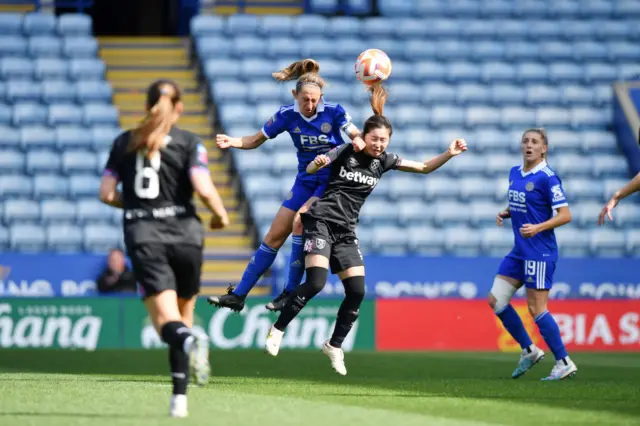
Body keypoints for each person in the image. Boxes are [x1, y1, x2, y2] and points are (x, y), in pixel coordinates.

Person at [263, 83, 467, 375]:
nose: (379, 144)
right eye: (375, 138)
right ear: (365, 136)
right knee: (317, 282)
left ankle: (334, 345)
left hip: (346, 231)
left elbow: (423, 167)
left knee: (357, 291)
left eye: (384, 140)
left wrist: (448, 153)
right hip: (320, 222)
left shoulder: (385, 161)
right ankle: (278, 329)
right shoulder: (346, 150)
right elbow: (311, 170)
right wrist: (318, 163)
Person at [99, 79, 229, 417]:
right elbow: (202, 185)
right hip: (187, 235)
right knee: (184, 317)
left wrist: (138, 206)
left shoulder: (124, 142)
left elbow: (106, 193)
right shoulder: (189, 142)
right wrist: (220, 214)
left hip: (146, 236)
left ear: (146, 106)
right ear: (180, 108)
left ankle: (189, 343)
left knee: (166, 325)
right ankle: (179, 401)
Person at [208, 59, 365, 313]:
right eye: (306, 100)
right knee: (273, 236)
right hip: (305, 179)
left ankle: (290, 292)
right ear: (295, 95)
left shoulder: (335, 111)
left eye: (315, 100)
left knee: (299, 220)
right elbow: (256, 140)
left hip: (331, 181)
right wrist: (233, 141)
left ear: (321, 97)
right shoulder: (286, 115)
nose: (311, 105)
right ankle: (238, 295)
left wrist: (358, 141)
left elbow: (355, 132)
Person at [489, 128, 577, 381]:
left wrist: (537, 227)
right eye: (525, 141)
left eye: (535, 142)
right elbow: (523, 203)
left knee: (536, 308)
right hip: (520, 250)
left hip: (539, 251)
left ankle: (563, 362)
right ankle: (529, 350)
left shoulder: (548, 177)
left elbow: (565, 215)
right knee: (496, 301)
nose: (529, 145)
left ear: (544, 149)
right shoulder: (515, 172)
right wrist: (507, 212)